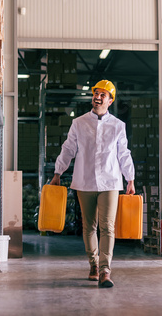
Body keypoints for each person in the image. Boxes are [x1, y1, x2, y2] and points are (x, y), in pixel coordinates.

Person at [50, 79, 135, 288]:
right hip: (84, 181)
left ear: (110, 100)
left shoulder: (118, 126)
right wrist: (58, 172)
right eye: (95, 93)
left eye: (102, 94)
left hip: (110, 182)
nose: (97, 97)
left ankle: (106, 270)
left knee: (108, 227)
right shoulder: (78, 123)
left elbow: (123, 153)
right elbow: (68, 148)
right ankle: (94, 265)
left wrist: (130, 178)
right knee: (89, 227)